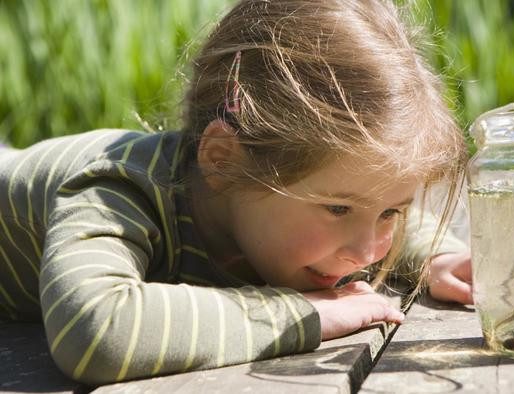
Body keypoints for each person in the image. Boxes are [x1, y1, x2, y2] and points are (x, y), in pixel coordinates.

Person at [0, 0, 471, 385]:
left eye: (390, 213)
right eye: (336, 207)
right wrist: (297, 313)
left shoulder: (258, 205)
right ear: (223, 160)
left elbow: (378, 205)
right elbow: (95, 329)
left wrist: (437, 257)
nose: (367, 251)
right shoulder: (119, 189)